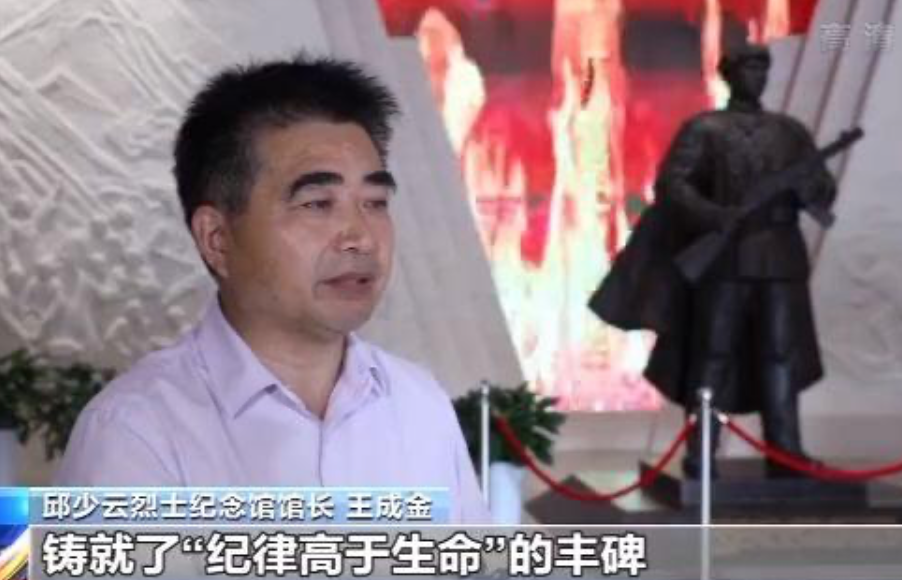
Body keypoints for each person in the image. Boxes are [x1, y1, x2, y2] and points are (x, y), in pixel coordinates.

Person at [56, 55, 489, 522]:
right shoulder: (134, 431)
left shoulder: (419, 405)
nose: (361, 237)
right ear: (217, 239)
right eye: (317, 203)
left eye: (375, 201)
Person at [590, 43, 837, 478]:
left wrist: (806, 189)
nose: (757, 77)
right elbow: (674, 184)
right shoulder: (705, 129)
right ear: (730, 75)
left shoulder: (790, 132)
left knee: (781, 354)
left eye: (762, 68)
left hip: (779, 257)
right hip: (724, 259)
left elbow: (822, 187)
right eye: (748, 68)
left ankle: (785, 451)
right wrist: (713, 214)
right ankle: (701, 451)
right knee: (712, 353)